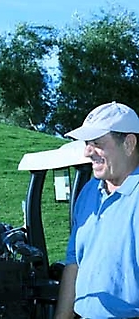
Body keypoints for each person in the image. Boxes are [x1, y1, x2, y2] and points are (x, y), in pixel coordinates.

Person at [54, 101, 139, 319]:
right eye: (87, 143)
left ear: (129, 144)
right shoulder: (89, 192)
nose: (87, 152)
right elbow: (74, 263)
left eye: (97, 143)